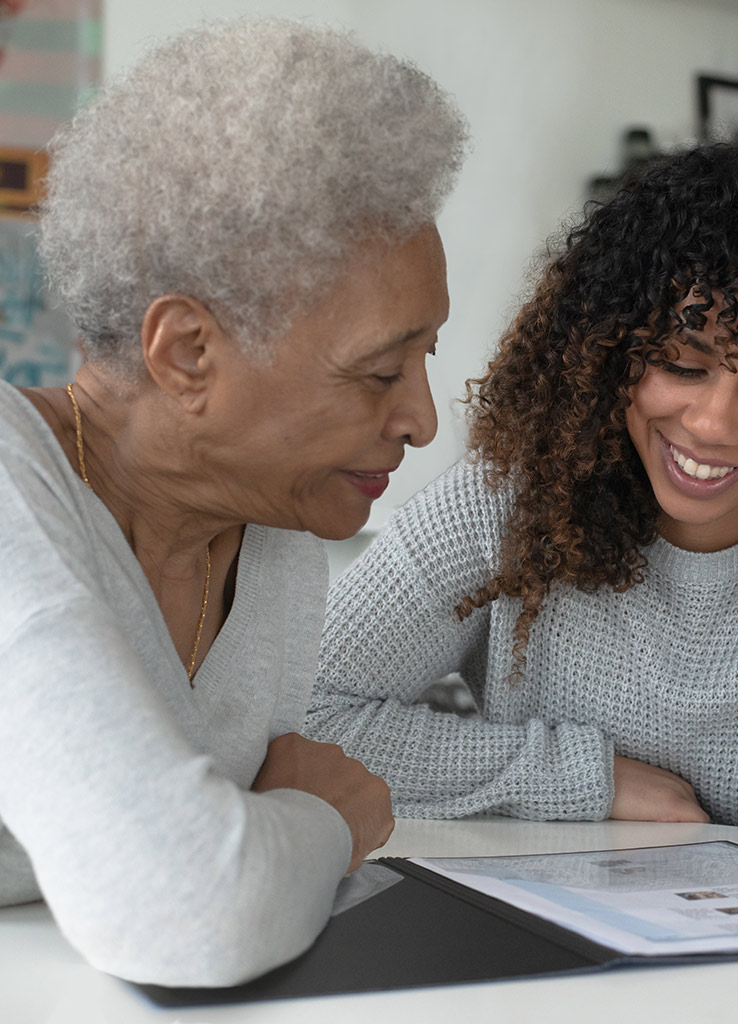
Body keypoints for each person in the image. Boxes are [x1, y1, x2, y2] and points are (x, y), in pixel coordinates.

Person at [309, 142, 738, 965]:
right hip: (545, 963)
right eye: (681, 364)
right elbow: (307, 714)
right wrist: (588, 780)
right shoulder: (501, 507)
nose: (712, 423)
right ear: (612, 350)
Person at [0, 17, 466, 986]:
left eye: (424, 358)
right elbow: (186, 908)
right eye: (379, 371)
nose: (420, 420)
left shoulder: (275, 542)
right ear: (187, 354)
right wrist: (327, 820)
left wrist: (262, 833)